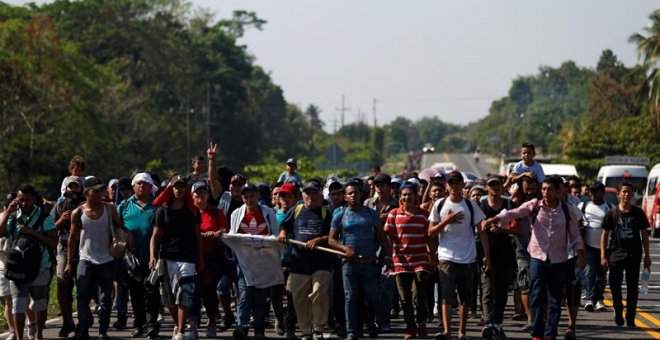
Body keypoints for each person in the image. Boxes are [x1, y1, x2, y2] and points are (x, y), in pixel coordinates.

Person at [483, 177, 585, 340]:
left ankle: (550, 332)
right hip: (537, 257)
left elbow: (575, 235)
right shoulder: (534, 206)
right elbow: (513, 213)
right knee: (536, 295)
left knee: (555, 299)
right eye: (543, 189)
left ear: (558, 191)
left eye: (549, 189)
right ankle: (537, 333)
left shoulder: (567, 210)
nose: (545, 193)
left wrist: (581, 255)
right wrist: (494, 219)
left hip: (559, 259)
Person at [428, 171, 490, 340]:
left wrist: (486, 256)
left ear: (463, 185)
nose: (454, 186)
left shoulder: (471, 205)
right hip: (446, 256)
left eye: (457, 183)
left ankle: (462, 332)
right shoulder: (439, 204)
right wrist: (447, 220)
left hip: (468, 257)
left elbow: (482, 231)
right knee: (446, 294)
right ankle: (447, 332)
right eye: (451, 183)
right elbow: (431, 232)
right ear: (447, 186)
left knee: (465, 297)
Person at [67, 177, 130, 340]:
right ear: (87, 192)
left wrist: (127, 236)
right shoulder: (78, 212)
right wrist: (68, 263)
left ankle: (103, 331)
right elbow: (72, 239)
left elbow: (120, 226)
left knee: (105, 298)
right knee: (82, 295)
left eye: (101, 190)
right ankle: (83, 329)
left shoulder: (109, 209)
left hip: (107, 260)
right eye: (95, 191)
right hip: (85, 259)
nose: (99, 194)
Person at [328, 179, 390, 340]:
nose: (353, 195)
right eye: (350, 193)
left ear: (361, 195)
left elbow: (382, 236)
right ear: (345, 197)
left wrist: (387, 255)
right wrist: (345, 249)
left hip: (369, 262)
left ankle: (371, 323)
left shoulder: (371, 213)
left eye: (356, 192)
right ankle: (351, 331)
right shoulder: (340, 214)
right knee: (350, 297)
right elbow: (331, 240)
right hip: (348, 264)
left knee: (372, 296)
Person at [0, 185, 57, 340]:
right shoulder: (13, 216)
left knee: (40, 304)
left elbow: (53, 242)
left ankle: (38, 334)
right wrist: (7, 211)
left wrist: (32, 232)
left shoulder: (44, 217)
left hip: (40, 267)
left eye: (29, 200)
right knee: (17, 306)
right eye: (21, 200)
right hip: (17, 268)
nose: (25, 203)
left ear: (34, 200)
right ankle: (19, 337)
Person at [149, 175, 203, 340]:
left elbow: (198, 236)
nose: (179, 189)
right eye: (176, 186)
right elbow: (155, 237)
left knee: (184, 294)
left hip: (187, 258)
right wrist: (152, 256)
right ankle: (177, 324)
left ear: (185, 189)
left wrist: (200, 258)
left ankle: (180, 332)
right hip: (166, 258)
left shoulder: (192, 210)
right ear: (170, 189)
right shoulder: (162, 211)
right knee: (169, 299)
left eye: (181, 186)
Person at [278, 181, 333, 340]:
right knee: (299, 298)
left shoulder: (326, 212)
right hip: (299, 263)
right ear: (302, 195)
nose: (310, 196)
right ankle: (306, 330)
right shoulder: (297, 210)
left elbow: (333, 235)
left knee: (318, 293)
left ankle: (318, 329)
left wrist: (319, 239)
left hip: (321, 263)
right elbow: (284, 226)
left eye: (314, 193)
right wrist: (282, 233)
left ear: (321, 196)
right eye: (307, 193)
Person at [229, 183, 280, 340]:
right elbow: (233, 235)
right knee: (244, 294)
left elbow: (275, 235)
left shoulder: (269, 213)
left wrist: (264, 241)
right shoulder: (236, 213)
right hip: (244, 262)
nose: (249, 199)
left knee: (260, 297)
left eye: (252, 196)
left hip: (263, 262)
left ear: (258, 196)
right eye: (246, 196)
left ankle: (259, 330)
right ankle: (242, 326)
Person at [116, 172, 161, 339]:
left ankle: (152, 324)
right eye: (138, 183)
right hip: (131, 258)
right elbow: (117, 228)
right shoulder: (124, 206)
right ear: (133, 187)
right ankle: (139, 324)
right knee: (135, 293)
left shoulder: (157, 205)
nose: (141, 186)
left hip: (153, 256)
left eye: (145, 183)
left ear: (151, 187)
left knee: (152, 291)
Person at [601, 182, 652, 329]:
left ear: (633, 195)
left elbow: (644, 235)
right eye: (624, 192)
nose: (626, 195)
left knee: (632, 289)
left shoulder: (638, 213)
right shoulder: (612, 213)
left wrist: (647, 256)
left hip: (633, 255)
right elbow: (604, 234)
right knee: (615, 287)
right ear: (618, 194)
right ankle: (618, 310)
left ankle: (630, 319)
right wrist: (603, 256)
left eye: (629, 192)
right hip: (616, 255)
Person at [384, 182, 431, 339]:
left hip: (420, 260)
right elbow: (389, 237)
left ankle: (421, 323)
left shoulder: (424, 215)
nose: (407, 197)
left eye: (410, 194)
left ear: (415, 195)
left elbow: (430, 237)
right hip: (400, 262)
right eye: (404, 194)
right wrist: (389, 256)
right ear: (400, 196)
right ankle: (410, 328)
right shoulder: (393, 214)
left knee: (418, 294)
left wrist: (434, 257)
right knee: (405, 299)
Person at [188, 181, 229, 339]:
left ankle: (212, 321)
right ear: (192, 196)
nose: (201, 196)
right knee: (193, 293)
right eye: (198, 193)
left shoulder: (217, 212)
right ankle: (193, 327)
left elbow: (225, 229)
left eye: (204, 192)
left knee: (210, 293)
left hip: (213, 260)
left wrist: (219, 232)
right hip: (193, 260)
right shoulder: (188, 213)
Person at [478, 175, 516, 339]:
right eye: (492, 185)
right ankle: (488, 323)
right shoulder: (481, 205)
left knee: (501, 292)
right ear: (487, 188)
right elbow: (481, 228)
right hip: (486, 252)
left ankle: (497, 324)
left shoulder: (509, 204)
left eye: (498, 185)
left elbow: (519, 229)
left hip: (505, 253)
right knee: (487, 290)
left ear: (502, 187)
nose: (495, 188)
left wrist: (503, 230)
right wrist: (486, 256)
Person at [50, 176, 85, 337]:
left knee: (84, 288)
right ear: (65, 188)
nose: (73, 190)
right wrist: (61, 219)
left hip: (84, 248)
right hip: (63, 249)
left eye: (76, 187)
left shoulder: (87, 204)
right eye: (70, 187)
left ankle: (84, 321)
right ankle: (67, 321)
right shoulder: (59, 205)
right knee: (63, 285)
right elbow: (49, 228)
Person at [579, 182, 613, 313]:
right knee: (589, 273)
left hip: (605, 247)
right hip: (588, 246)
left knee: (601, 274)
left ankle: (599, 300)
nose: (592, 194)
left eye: (596, 192)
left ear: (603, 193)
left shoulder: (610, 207)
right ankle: (589, 299)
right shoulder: (583, 206)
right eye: (591, 192)